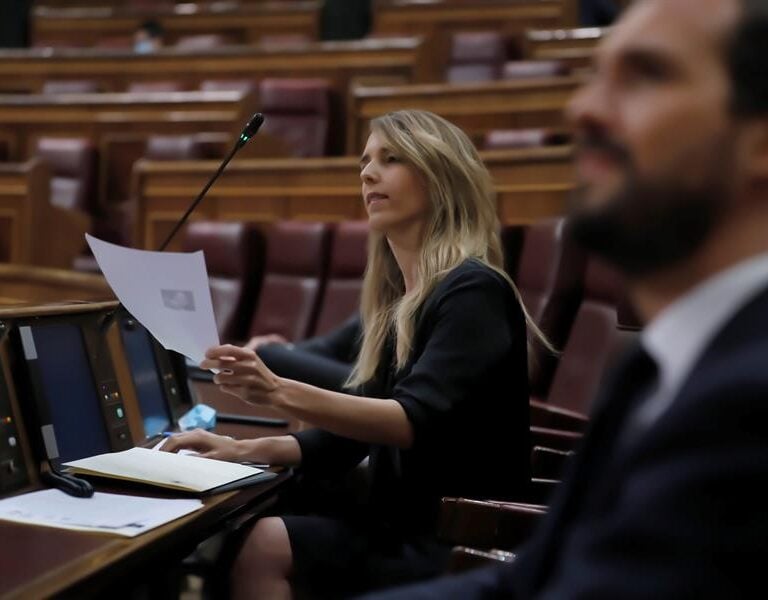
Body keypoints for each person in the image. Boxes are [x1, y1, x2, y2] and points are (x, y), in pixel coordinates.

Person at [360, 0, 768, 598]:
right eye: (596, 77)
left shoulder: (747, 399)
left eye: (647, 74)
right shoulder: (654, 370)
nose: (583, 109)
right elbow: (528, 582)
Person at [164, 110, 541, 598]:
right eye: (365, 161)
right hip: (398, 526)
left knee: (260, 543)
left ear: (441, 177)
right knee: (254, 536)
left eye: (390, 159)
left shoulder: (474, 291)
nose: (366, 173)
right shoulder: (402, 301)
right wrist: (243, 451)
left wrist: (277, 391)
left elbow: (409, 421)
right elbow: (348, 439)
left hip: (453, 543)